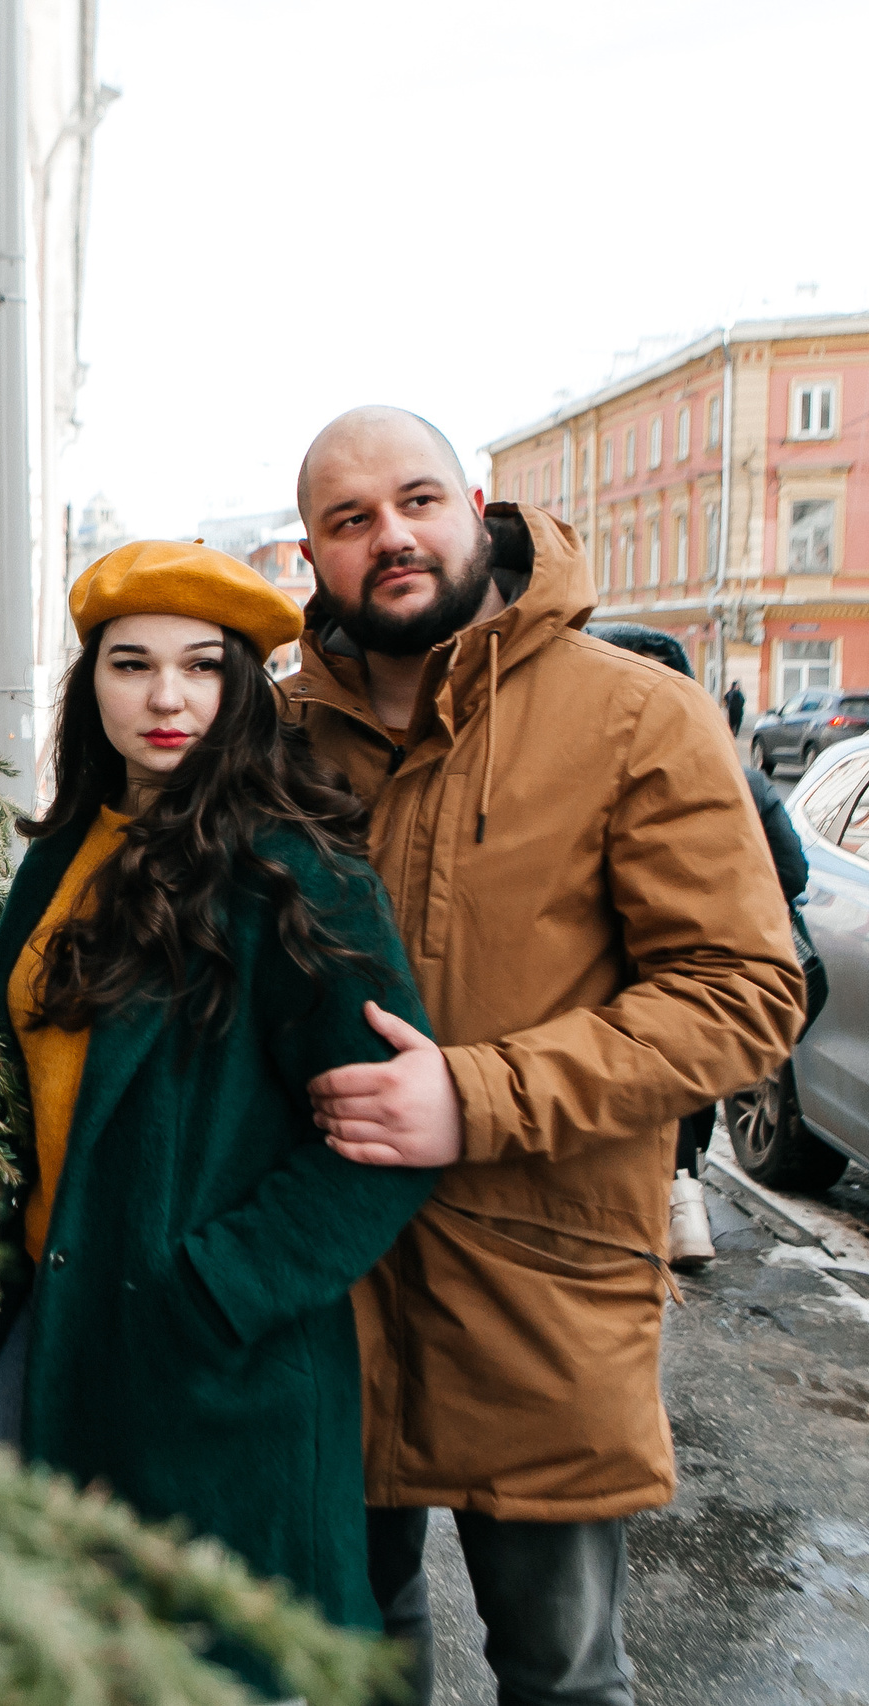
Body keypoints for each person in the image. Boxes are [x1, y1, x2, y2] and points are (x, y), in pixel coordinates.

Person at [286, 408, 805, 1706]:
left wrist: (475, 1094)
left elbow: (745, 992)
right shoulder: (272, 740)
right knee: (348, 1658)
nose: (389, 537)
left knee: (564, 1675)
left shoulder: (637, 717)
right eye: (350, 521)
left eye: (414, 501)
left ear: (476, 504)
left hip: (540, 1293)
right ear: (313, 552)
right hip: (319, 1297)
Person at [0, 541, 439, 1694]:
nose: (164, 697)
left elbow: (382, 1147)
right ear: (88, 683)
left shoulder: (297, 868)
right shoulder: (61, 852)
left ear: (242, 690)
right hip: (40, 1307)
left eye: (201, 668)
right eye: (130, 663)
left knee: (196, 1666)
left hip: (203, 1355)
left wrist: (219, 1285)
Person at [583, 622, 813, 1268]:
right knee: (683, 1093)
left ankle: (678, 1202)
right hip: (670, 999)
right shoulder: (741, 775)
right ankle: (684, 1201)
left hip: (649, 994)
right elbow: (791, 874)